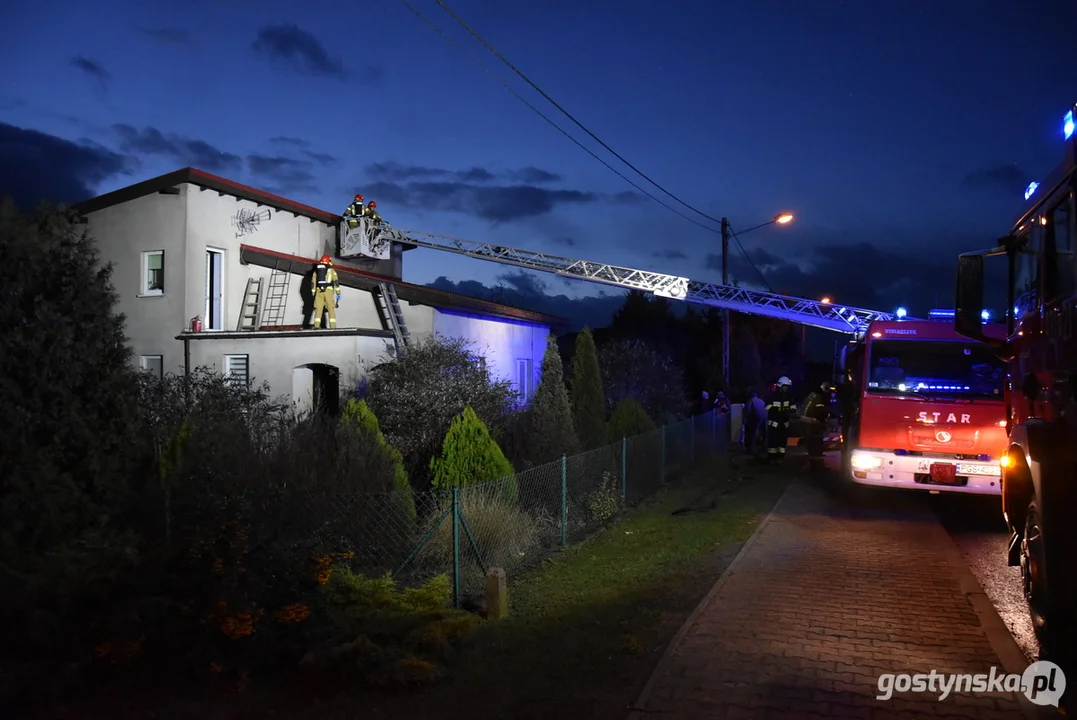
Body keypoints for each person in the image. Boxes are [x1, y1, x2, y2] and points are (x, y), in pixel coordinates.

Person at [801, 381, 832, 471]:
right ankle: (818, 467)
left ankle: (812, 465)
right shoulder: (819, 397)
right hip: (812, 424)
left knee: (811, 446)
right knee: (817, 446)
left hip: (806, 423)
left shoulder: (813, 395)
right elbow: (820, 412)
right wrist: (826, 419)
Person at [764, 376, 795, 463]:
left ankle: (780, 457)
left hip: (784, 424)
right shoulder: (772, 396)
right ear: (780, 386)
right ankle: (771, 457)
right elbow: (767, 407)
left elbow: (793, 408)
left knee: (782, 443)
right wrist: (777, 410)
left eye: (788, 387)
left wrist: (789, 411)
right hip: (774, 424)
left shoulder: (789, 397)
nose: (787, 388)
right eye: (785, 386)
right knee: (772, 442)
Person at [311, 254, 341, 329]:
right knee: (331, 309)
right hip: (329, 292)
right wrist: (338, 293)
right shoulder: (331, 271)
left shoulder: (316, 271)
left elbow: (313, 283)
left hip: (319, 292)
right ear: (329, 261)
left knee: (318, 309)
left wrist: (313, 293)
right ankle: (333, 327)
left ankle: (316, 326)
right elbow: (336, 282)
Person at [742, 387, 766, 456]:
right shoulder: (761, 401)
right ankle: (764, 447)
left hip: (757, 416)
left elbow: (747, 411)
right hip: (765, 416)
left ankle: (750, 449)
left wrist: (745, 420)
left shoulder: (751, 400)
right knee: (764, 433)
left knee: (753, 432)